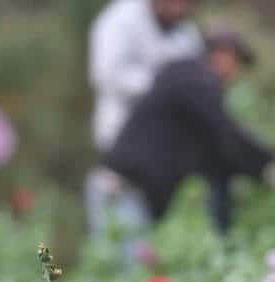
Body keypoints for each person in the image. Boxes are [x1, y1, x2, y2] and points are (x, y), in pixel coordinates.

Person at [101, 30, 275, 235]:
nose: (235, 74)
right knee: (125, 263)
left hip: (128, 190)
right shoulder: (196, 80)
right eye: (237, 63)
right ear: (223, 54)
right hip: (126, 190)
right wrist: (269, 166)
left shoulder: (186, 78)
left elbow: (216, 150)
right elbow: (227, 136)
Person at [85, 0, 203, 237]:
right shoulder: (120, 20)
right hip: (124, 152)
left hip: (168, 163)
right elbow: (106, 74)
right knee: (123, 249)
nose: (179, 9)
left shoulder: (188, 34)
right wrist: (164, 86)